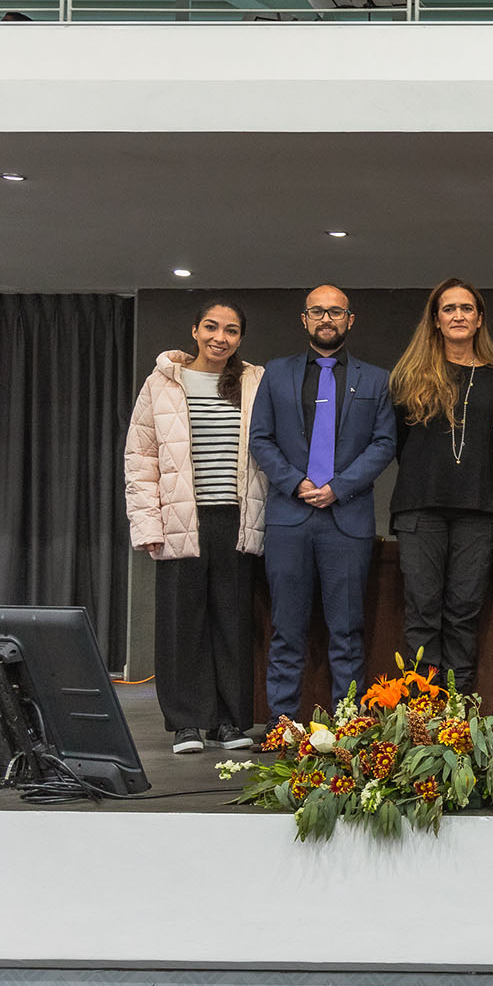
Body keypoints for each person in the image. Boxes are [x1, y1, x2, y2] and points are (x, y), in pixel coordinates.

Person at [124, 300, 268, 753]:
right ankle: (186, 721)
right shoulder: (161, 383)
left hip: (238, 517)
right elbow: (140, 457)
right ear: (195, 330)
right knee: (182, 622)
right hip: (181, 517)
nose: (219, 337)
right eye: (211, 327)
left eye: (230, 330)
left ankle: (227, 722)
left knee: (232, 621)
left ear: (240, 338)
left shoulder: (255, 383)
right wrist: (146, 523)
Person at [248, 284, 396, 721]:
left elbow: (384, 443)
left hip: (346, 519)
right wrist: (296, 483)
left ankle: (348, 727)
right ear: (304, 319)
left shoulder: (376, 379)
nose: (326, 318)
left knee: (347, 632)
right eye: (318, 312)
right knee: (286, 630)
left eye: (336, 312)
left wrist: (338, 486)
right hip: (288, 519)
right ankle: (282, 726)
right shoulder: (276, 373)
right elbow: (261, 438)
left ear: (350, 320)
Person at [388, 278, 493, 695]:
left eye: (466, 309)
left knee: (463, 613)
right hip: (420, 506)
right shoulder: (409, 375)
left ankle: (459, 715)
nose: (458, 315)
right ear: (436, 320)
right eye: (449, 308)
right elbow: (398, 443)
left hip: (478, 507)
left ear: (479, 319)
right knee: (422, 612)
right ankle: (422, 713)